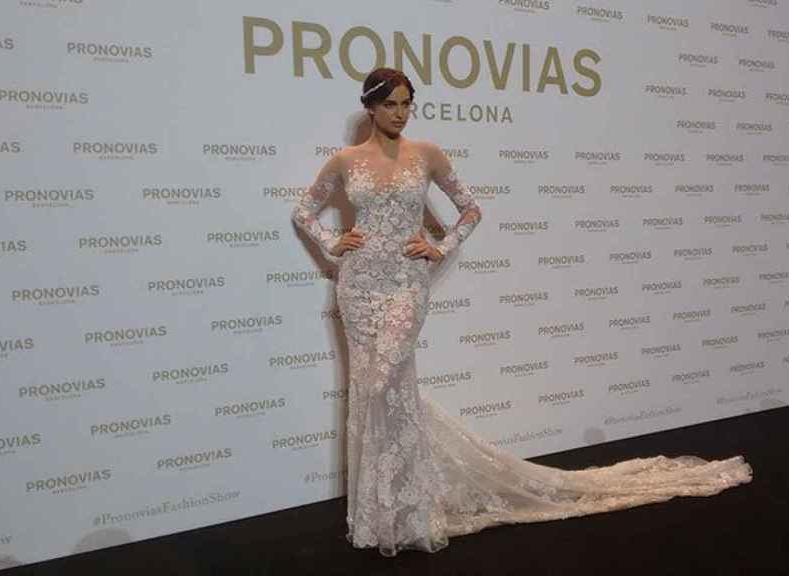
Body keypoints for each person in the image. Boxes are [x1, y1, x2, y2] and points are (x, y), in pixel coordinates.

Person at [291, 67, 753, 557]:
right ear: (370, 107)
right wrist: (333, 242)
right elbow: (304, 211)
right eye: (391, 105)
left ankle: (410, 502)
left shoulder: (426, 155)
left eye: (408, 104)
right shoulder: (344, 161)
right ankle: (383, 517)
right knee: (371, 392)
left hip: (406, 285)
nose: (400, 114)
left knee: (387, 385)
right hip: (359, 287)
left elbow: (470, 208)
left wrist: (441, 247)